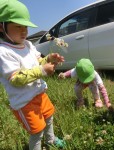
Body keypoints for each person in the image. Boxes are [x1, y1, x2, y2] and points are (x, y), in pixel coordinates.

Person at [0, 0, 65, 149]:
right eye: (18, 26)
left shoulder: (28, 45)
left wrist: (48, 58)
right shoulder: (3, 51)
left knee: (49, 117)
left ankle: (51, 140)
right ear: (2, 27)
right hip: (24, 102)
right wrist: (42, 71)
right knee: (37, 131)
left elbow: (38, 61)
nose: (24, 31)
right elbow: (15, 79)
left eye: (25, 26)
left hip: (39, 93)